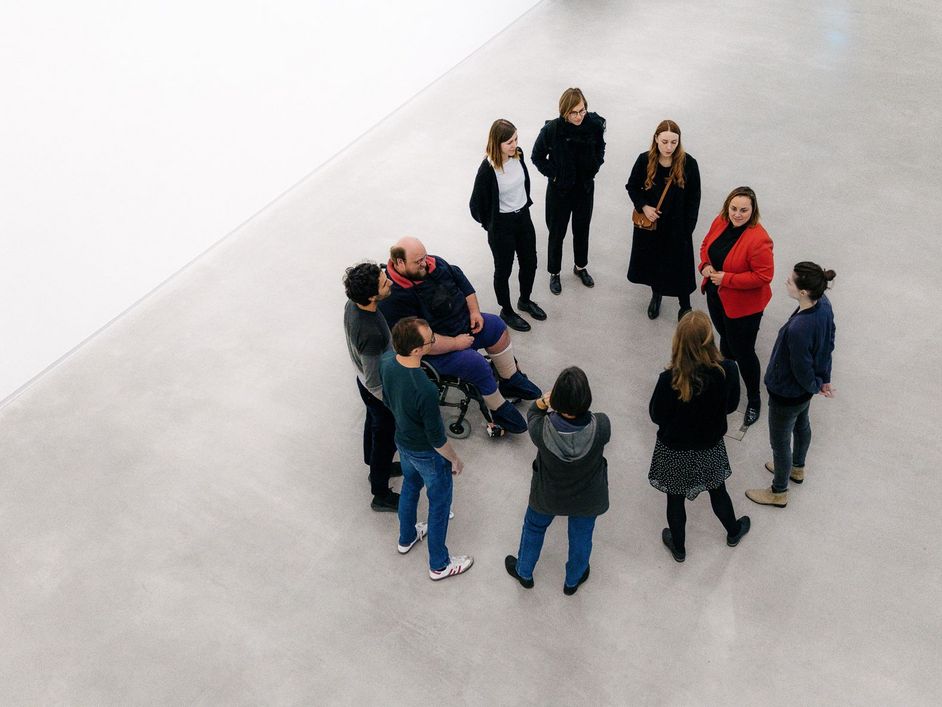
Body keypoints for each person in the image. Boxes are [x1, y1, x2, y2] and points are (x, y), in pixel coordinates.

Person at [379, 237, 541, 435]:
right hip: (435, 349)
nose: (425, 263)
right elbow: (419, 340)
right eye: (418, 261)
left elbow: (462, 282)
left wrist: (474, 312)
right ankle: (498, 408)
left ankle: (510, 379)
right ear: (400, 263)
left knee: (497, 327)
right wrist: (456, 343)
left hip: (463, 324)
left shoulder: (434, 263)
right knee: (476, 364)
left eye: (424, 257)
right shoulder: (394, 298)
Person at [647, 311, 751, 562]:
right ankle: (733, 531)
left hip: (674, 448)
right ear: (709, 340)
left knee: (675, 497)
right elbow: (731, 406)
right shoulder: (727, 371)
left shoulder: (669, 380)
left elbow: (656, 415)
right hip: (709, 443)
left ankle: (679, 547)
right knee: (718, 490)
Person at [381, 316, 473, 581]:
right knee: (440, 504)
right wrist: (455, 460)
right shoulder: (425, 388)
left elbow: (387, 399)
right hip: (427, 454)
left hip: (403, 442)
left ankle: (407, 536)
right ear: (417, 350)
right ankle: (439, 564)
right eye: (430, 339)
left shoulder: (387, 361)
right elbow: (436, 438)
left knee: (410, 485)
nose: (434, 340)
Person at [504, 366, 610, 595]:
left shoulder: (541, 430)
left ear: (557, 400)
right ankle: (573, 579)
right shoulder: (602, 426)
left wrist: (543, 401)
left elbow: (532, 414)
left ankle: (524, 571)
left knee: (533, 527)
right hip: (588, 497)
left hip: (547, 496)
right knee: (582, 535)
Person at [746, 262, 837, 508]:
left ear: (804, 292)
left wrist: (814, 385)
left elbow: (800, 368)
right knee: (802, 425)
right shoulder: (824, 305)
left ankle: (779, 491)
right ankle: (797, 468)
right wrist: (822, 380)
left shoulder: (799, 328)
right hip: (803, 393)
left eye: (791, 280)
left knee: (780, 442)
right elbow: (828, 342)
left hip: (787, 393)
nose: (787, 281)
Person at [698, 186, 774, 426]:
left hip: (744, 307)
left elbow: (764, 276)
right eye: (733, 208)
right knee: (726, 341)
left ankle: (754, 398)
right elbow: (705, 247)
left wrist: (727, 278)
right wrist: (705, 267)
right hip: (717, 296)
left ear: (753, 211)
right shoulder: (720, 221)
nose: (737, 214)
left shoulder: (758, 239)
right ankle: (728, 385)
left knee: (744, 352)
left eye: (743, 210)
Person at [469, 119, 546, 332]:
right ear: (497, 144)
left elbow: (523, 183)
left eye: (515, 140)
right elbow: (475, 206)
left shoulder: (517, 155)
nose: (514, 145)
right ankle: (507, 310)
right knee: (503, 270)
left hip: (523, 217)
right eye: (509, 142)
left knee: (530, 261)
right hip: (502, 225)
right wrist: (491, 224)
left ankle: (525, 300)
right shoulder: (487, 169)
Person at [532, 87, 606, 295]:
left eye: (582, 110)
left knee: (582, 229)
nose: (579, 116)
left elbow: (600, 147)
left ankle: (580, 266)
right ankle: (554, 272)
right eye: (574, 112)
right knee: (557, 233)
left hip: (584, 189)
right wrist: (555, 175)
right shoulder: (552, 130)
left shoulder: (594, 125)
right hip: (559, 192)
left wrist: (596, 165)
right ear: (564, 112)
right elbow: (536, 157)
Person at [626, 119, 702, 321]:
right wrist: (644, 206)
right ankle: (656, 295)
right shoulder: (644, 160)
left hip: (678, 227)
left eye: (674, 142)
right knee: (654, 263)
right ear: (656, 139)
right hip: (653, 226)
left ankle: (685, 305)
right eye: (665, 141)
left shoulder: (689, 164)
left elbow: (694, 199)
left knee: (680, 266)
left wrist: (687, 229)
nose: (669, 147)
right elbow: (632, 186)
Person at [342, 261, 402, 512]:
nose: (389, 279)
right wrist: (393, 404)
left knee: (373, 425)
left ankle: (376, 465)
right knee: (385, 438)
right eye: (383, 282)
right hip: (378, 391)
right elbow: (374, 380)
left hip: (363, 383)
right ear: (372, 296)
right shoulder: (371, 333)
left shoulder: (351, 304)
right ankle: (380, 492)